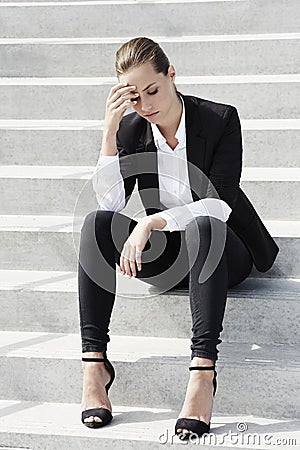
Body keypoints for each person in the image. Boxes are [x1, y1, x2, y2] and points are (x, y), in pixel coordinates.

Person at [78, 37, 279, 439]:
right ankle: (94, 367)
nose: (147, 105)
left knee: (204, 224)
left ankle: (203, 373)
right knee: (96, 223)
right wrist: (108, 134)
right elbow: (113, 203)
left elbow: (218, 204)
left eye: (153, 90)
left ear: (171, 75)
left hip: (224, 251)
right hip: (171, 260)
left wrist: (152, 223)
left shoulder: (219, 119)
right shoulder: (133, 129)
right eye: (135, 98)